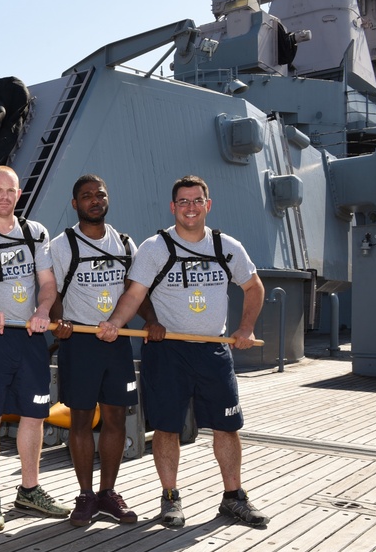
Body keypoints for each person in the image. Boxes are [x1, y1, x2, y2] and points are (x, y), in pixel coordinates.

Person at [97, 175, 269, 528]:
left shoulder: (227, 247)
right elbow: (133, 295)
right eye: (183, 202)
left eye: (197, 201)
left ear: (208, 205)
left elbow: (254, 287)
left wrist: (246, 328)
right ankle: (170, 498)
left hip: (213, 351)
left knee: (227, 426)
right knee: (167, 427)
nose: (190, 208)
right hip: (168, 352)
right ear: (173, 207)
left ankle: (233, 498)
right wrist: (115, 321)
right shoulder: (154, 248)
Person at [50, 174, 161, 527]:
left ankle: (108, 493)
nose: (94, 201)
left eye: (99, 195)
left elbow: (135, 292)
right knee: (81, 420)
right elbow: (50, 292)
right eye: (86, 196)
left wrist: (152, 321)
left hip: (116, 342)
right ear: (75, 204)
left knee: (116, 419)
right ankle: (85, 496)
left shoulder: (126, 244)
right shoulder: (62, 245)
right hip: (79, 342)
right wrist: (58, 322)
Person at [0, 166, 69, 531]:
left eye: (11, 190)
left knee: (35, 412)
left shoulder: (35, 232)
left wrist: (42, 310)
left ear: (19, 194)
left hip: (29, 336)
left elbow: (47, 282)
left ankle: (29, 489)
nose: (5, 197)